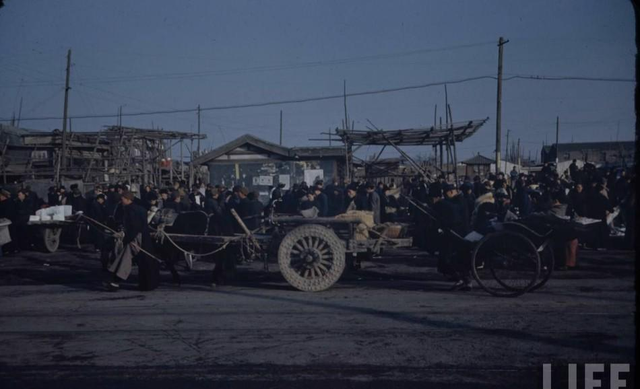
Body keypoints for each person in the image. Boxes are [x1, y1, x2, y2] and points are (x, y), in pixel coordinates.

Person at [105, 191, 159, 291]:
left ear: (127, 199)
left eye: (122, 199)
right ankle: (115, 279)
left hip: (136, 238)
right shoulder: (140, 209)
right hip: (142, 237)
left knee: (126, 258)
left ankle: (115, 280)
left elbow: (134, 227)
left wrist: (127, 239)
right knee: (130, 258)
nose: (121, 201)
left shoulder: (130, 210)